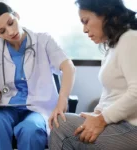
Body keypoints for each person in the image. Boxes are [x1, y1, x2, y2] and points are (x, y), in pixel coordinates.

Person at [49, 0, 137, 149]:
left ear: (105, 14)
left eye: (86, 21)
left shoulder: (130, 39)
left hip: (131, 127)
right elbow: (110, 93)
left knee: (61, 126)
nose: (84, 29)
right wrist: (95, 114)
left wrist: (101, 119)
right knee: (69, 123)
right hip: (118, 123)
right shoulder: (112, 47)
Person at [0, 2, 75, 150]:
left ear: (17, 16)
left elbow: (68, 67)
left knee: (31, 129)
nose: (10, 32)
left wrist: (62, 100)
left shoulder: (43, 41)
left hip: (37, 107)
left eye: (11, 23)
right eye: (2, 31)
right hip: (6, 107)